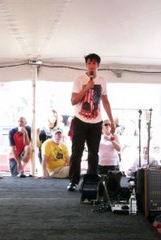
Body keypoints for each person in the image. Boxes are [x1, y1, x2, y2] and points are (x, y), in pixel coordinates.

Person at [67, 53, 115, 191]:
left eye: (94, 63)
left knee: (93, 152)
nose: (92, 65)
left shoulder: (102, 80)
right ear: (86, 65)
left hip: (96, 121)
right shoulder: (79, 79)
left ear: (98, 65)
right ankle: (73, 180)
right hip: (80, 119)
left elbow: (105, 101)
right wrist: (87, 87)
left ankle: (91, 179)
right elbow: (73, 101)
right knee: (77, 151)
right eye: (89, 63)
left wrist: (111, 120)